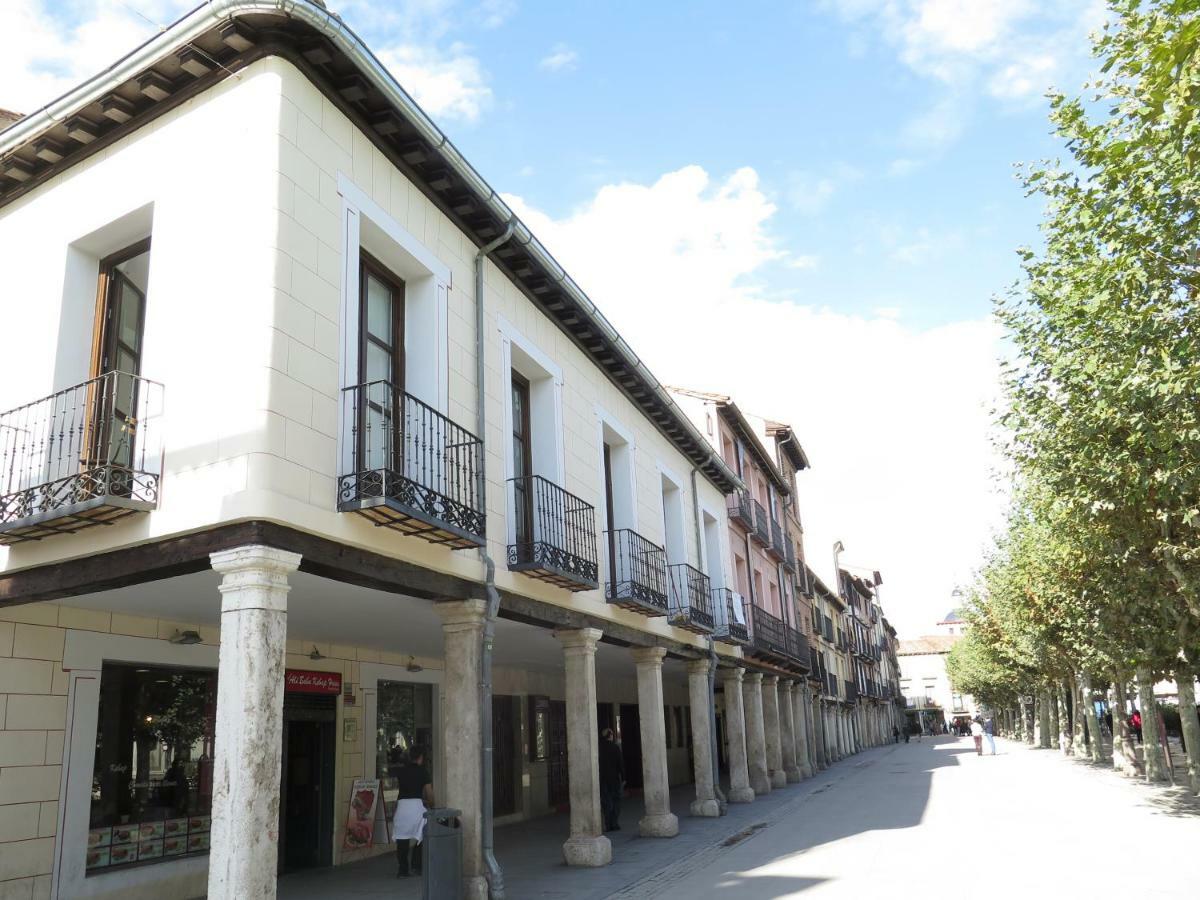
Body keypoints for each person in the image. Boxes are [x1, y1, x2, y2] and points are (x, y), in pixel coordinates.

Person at [393, 748, 432, 878]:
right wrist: (432, 804)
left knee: (402, 839)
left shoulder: (401, 771)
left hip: (402, 806)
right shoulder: (423, 771)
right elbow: (428, 792)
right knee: (423, 835)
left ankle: (402, 870)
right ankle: (416, 866)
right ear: (420, 757)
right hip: (416, 806)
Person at [599, 727, 625, 832]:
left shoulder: (599, 748)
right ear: (610, 735)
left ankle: (608, 824)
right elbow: (620, 763)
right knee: (616, 800)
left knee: (606, 801)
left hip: (603, 779)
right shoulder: (615, 748)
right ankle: (614, 823)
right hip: (614, 779)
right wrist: (623, 777)